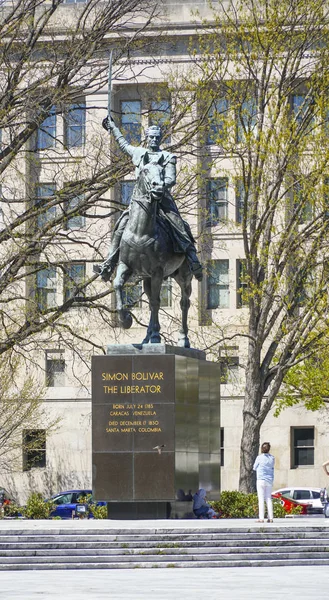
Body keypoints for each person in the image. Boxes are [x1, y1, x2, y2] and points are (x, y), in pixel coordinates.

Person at [98, 117, 203, 281]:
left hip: (162, 199)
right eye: (151, 137)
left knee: (180, 225)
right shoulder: (139, 153)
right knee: (121, 225)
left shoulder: (168, 156)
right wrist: (113, 127)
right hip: (140, 201)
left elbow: (171, 178)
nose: (154, 140)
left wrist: (160, 185)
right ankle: (109, 263)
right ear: (147, 138)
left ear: (161, 138)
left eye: (157, 137)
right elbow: (123, 144)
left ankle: (193, 260)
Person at [253, 441, 275, 523]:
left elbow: (254, 467)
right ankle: (271, 518)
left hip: (261, 480)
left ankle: (261, 518)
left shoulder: (259, 457)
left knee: (261, 499)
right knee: (268, 498)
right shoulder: (272, 458)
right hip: (269, 480)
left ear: (262, 449)